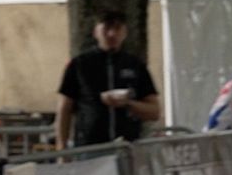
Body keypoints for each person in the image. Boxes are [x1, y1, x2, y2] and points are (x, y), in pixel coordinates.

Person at [54, 11, 159, 149]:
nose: (112, 34)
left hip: (127, 146)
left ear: (125, 33)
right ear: (95, 32)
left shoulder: (135, 65)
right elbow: (64, 108)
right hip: (89, 147)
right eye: (106, 28)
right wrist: (61, 147)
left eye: (117, 28)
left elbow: (154, 112)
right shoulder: (79, 64)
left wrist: (128, 104)